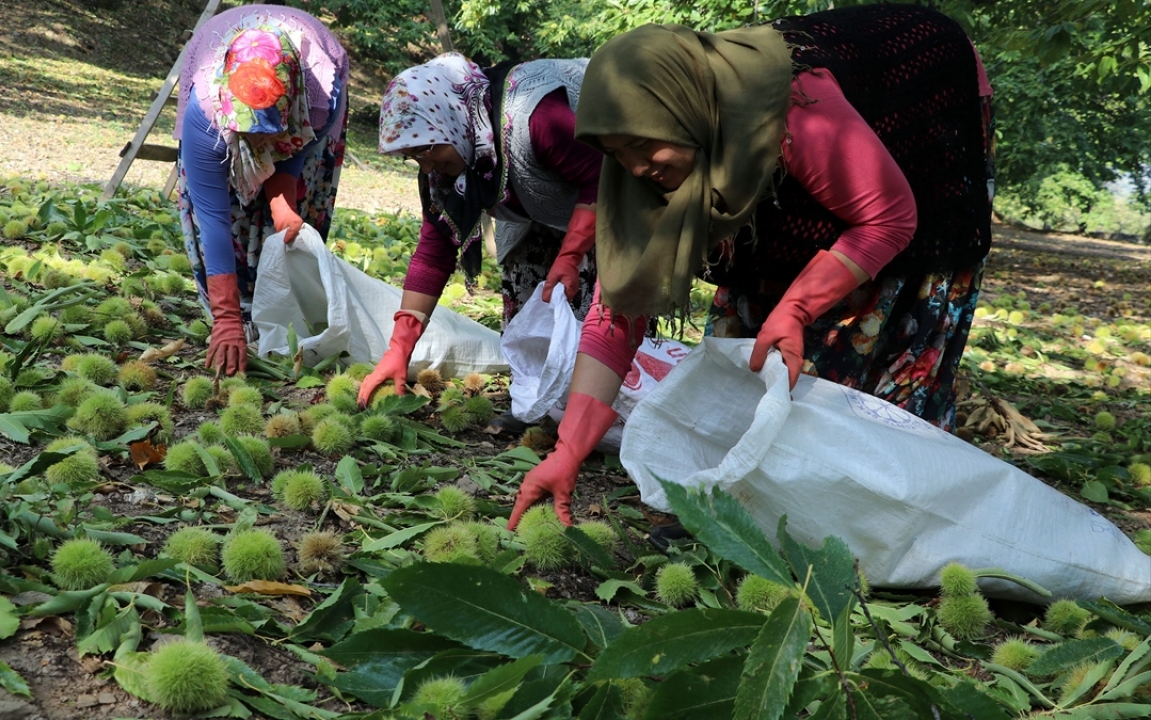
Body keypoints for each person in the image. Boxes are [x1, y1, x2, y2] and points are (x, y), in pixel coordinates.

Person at [508, 4, 996, 529]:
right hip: (780, 158)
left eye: (643, 145)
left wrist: (797, 308)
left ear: (683, 111)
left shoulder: (797, 110)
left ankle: (870, 519)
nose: (636, 167)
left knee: (861, 347)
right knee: (748, 354)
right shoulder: (638, 167)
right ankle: (740, 504)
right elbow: (620, 306)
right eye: (616, 152)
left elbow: (888, 218)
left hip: (922, 96)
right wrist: (568, 450)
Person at [356, 53, 603, 422]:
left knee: (594, 313)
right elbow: (434, 251)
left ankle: (595, 412)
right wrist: (399, 349)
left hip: (606, 199)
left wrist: (570, 256)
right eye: (412, 156)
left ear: (449, 118)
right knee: (528, 302)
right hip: (535, 213)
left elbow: (602, 178)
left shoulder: (536, 117)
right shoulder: (444, 162)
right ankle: (540, 406)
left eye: (427, 149)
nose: (425, 165)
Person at [174, 5, 349, 377]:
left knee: (290, 222)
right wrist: (225, 317)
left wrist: (282, 203)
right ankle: (233, 317)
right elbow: (213, 219)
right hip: (220, 108)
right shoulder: (204, 113)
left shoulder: (318, 101)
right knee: (226, 220)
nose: (258, 143)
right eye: (249, 133)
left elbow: (291, 158)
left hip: (304, 95)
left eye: (267, 133)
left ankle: (281, 307)